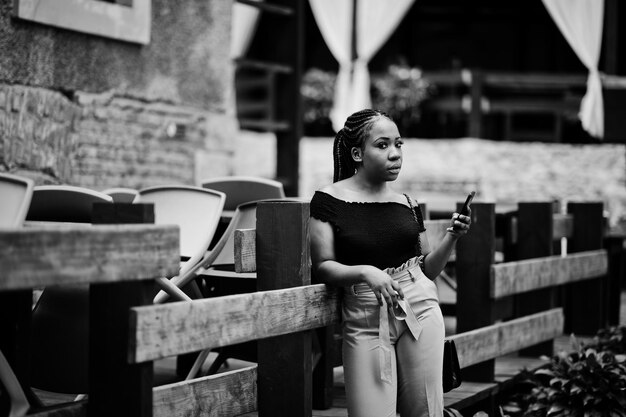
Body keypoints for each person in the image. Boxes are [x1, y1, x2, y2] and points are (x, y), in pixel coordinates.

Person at [309, 109, 471, 417]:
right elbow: (323, 265)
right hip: (366, 314)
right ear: (357, 153)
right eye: (382, 145)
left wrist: (452, 237)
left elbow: (426, 271)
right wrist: (366, 272)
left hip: (420, 307)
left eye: (399, 144)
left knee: (424, 412)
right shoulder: (328, 200)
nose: (395, 154)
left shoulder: (407, 204)